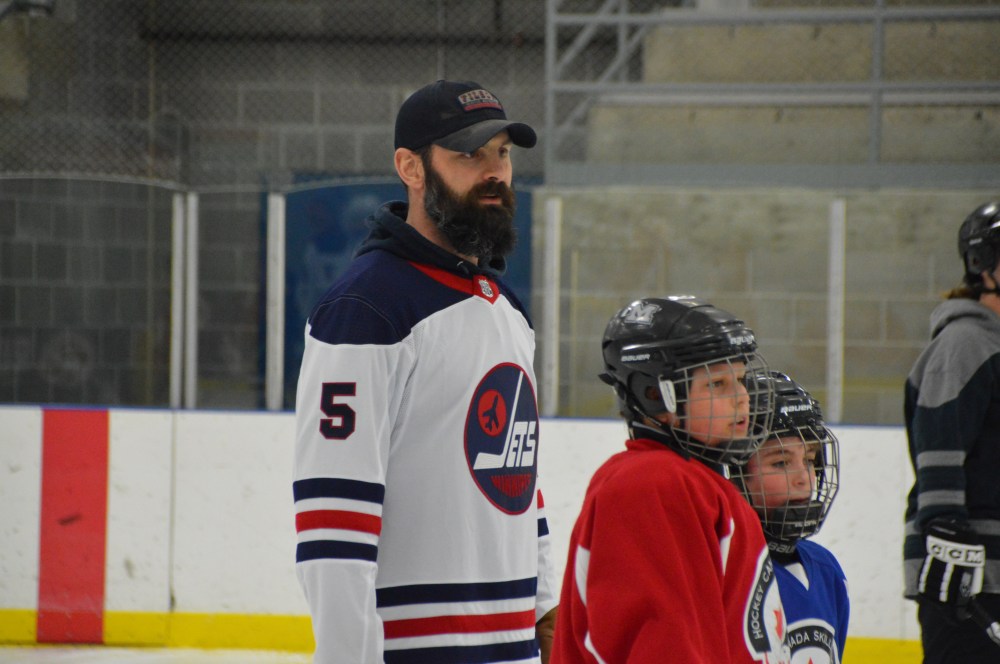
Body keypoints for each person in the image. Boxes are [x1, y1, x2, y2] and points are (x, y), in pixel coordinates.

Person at [292, 79, 558, 664]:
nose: (494, 172)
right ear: (410, 168)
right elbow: (334, 523)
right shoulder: (365, 310)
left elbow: (518, 479)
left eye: (503, 154)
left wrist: (545, 609)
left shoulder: (505, 308)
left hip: (514, 646)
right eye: (469, 154)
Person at [550, 295, 790, 663]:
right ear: (653, 396)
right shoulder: (650, 483)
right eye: (717, 385)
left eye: (740, 380)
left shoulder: (701, 483)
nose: (742, 398)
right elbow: (660, 643)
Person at [903, 201, 1000, 663]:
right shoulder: (965, 342)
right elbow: (940, 438)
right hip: (970, 576)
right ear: (983, 265)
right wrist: (947, 533)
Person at [730, 371, 849, 663]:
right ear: (735, 474)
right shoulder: (725, 574)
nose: (804, 478)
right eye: (781, 462)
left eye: (809, 460)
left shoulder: (825, 569)